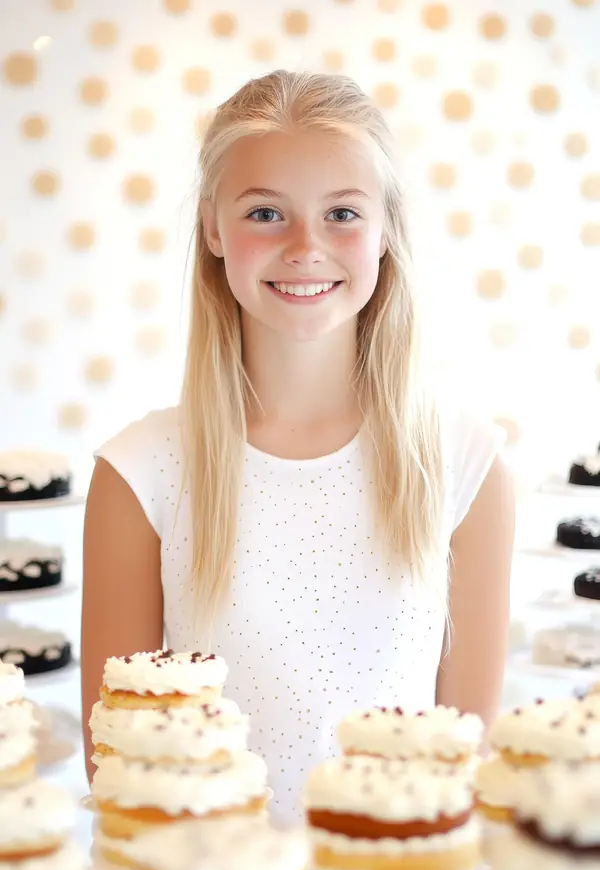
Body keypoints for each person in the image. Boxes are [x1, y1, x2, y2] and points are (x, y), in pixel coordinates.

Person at [82, 69, 515, 827]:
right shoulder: (140, 474)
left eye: (342, 212)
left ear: (386, 231)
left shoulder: (466, 464)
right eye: (265, 212)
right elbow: (122, 774)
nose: (306, 246)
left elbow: (466, 765)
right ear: (214, 230)